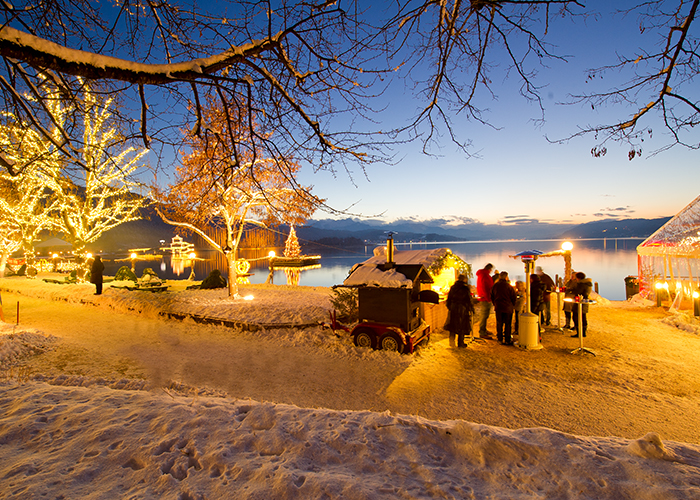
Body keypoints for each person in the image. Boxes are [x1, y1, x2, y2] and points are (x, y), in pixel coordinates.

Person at [445, 274, 474, 348]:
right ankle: (460, 343)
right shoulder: (465, 288)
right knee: (462, 325)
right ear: (464, 279)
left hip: (454, 307)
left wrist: (450, 307)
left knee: (453, 325)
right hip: (462, 308)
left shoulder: (453, 287)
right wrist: (471, 308)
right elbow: (468, 300)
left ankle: (451, 341)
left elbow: (449, 298)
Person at [491, 271, 516, 345]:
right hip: (507, 307)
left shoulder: (495, 286)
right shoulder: (509, 286)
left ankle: (500, 338)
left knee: (499, 323)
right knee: (508, 323)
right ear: (506, 277)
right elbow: (513, 297)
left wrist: (495, 303)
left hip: (498, 306)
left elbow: (492, 295)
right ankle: (507, 339)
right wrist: (512, 305)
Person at [475, 263, 494, 338]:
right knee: (484, 315)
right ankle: (482, 332)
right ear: (489, 269)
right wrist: (488, 298)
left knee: (485, 315)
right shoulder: (485, 275)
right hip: (485, 298)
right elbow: (485, 287)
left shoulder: (482, 274)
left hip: (483, 297)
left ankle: (483, 329)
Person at [571, 271, 593, 337]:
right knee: (583, 317)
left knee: (577, 317)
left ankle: (580, 332)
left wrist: (572, 291)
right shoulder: (587, 283)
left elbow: (578, 292)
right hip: (585, 302)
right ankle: (583, 332)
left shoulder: (581, 284)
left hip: (580, 302)